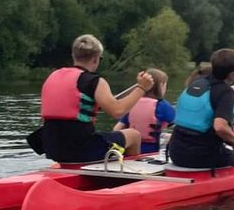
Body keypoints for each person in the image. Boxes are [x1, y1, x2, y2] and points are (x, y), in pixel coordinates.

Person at [39, 34, 154, 164]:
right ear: (95, 59)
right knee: (134, 135)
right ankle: (130, 178)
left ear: (73, 56)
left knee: (98, 136)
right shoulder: (95, 81)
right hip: (82, 150)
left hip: (52, 148)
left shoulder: (53, 76)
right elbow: (118, 111)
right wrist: (142, 88)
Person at [169, 48, 234, 169]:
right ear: (232, 74)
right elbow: (220, 127)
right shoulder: (225, 92)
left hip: (175, 152)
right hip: (202, 156)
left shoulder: (197, 83)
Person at [114, 68, 176, 154]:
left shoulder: (132, 103)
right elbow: (179, 127)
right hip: (151, 152)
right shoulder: (163, 106)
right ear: (161, 86)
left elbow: (117, 128)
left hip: (130, 150)